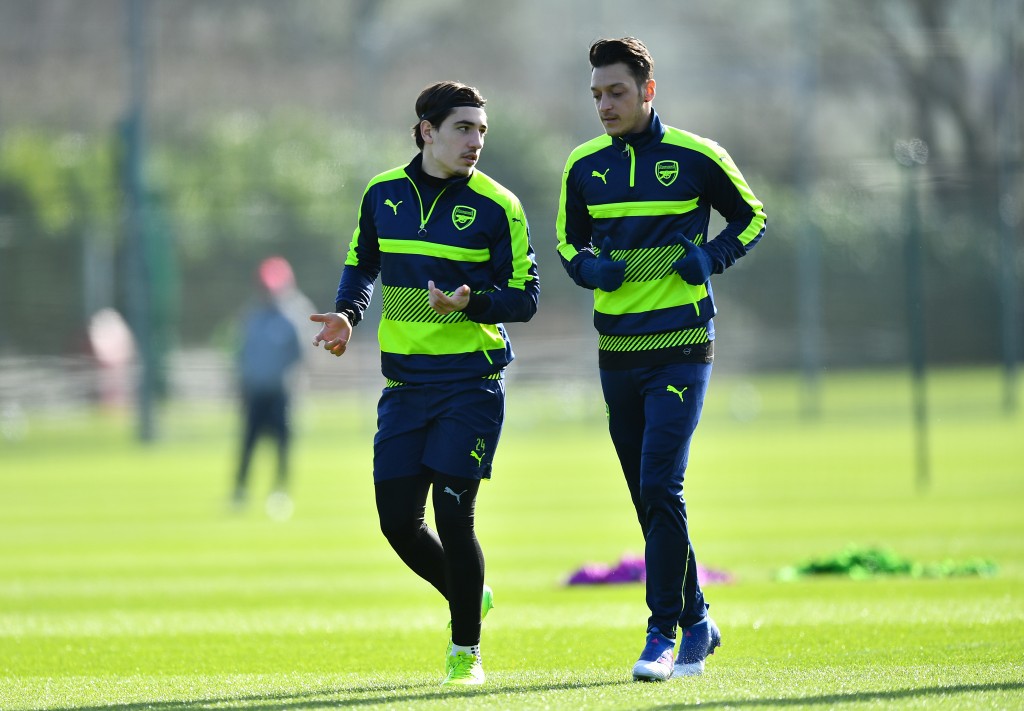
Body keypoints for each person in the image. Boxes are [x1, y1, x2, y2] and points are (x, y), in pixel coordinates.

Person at [310, 81, 539, 686]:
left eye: (481, 130)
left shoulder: (500, 206)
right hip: (405, 386)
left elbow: (526, 298)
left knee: (454, 517)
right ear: (427, 131)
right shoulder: (382, 194)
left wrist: (472, 302)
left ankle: (466, 653)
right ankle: (470, 592)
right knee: (397, 523)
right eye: (463, 128)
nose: (475, 141)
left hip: (471, 383)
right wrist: (348, 314)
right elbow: (363, 263)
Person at [555, 37, 766, 682]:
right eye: (596, 94)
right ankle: (699, 618)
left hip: (682, 348)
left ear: (648, 91)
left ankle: (662, 634)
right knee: (649, 499)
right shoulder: (583, 165)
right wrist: (590, 269)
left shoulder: (699, 156)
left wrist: (711, 257)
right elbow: (566, 242)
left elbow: (752, 218)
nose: (604, 105)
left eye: (616, 92)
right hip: (616, 354)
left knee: (659, 486)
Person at [232, 256, 306, 521]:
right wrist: (241, 385)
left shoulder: (293, 316)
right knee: (248, 443)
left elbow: (301, 355)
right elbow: (242, 354)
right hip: (255, 393)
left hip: (281, 394)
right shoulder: (251, 316)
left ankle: (280, 490)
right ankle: (240, 491)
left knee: (282, 446)